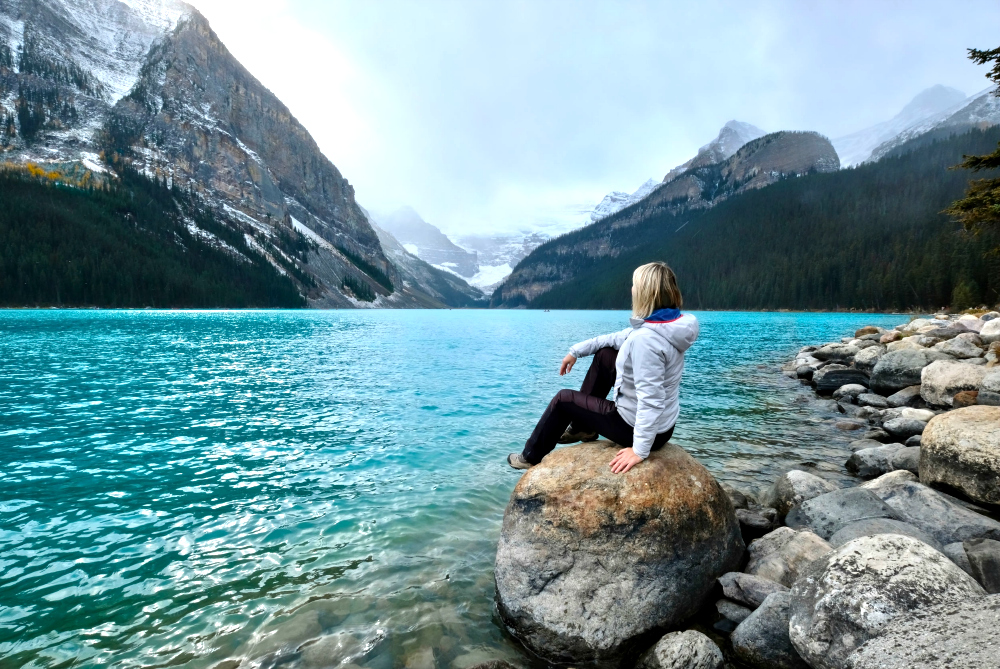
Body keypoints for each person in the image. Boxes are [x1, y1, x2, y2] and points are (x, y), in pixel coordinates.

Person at [507, 261, 699, 474]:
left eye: (635, 285)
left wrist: (639, 450)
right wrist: (575, 351)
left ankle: (530, 456)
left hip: (634, 428)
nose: (631, 289)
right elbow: (615, 339)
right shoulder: (666, 325)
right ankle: (583, 429)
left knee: (563, 400)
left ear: (646, 293)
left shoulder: (646, 340)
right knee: (606, 355)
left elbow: (650, 399)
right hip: (664, 424)